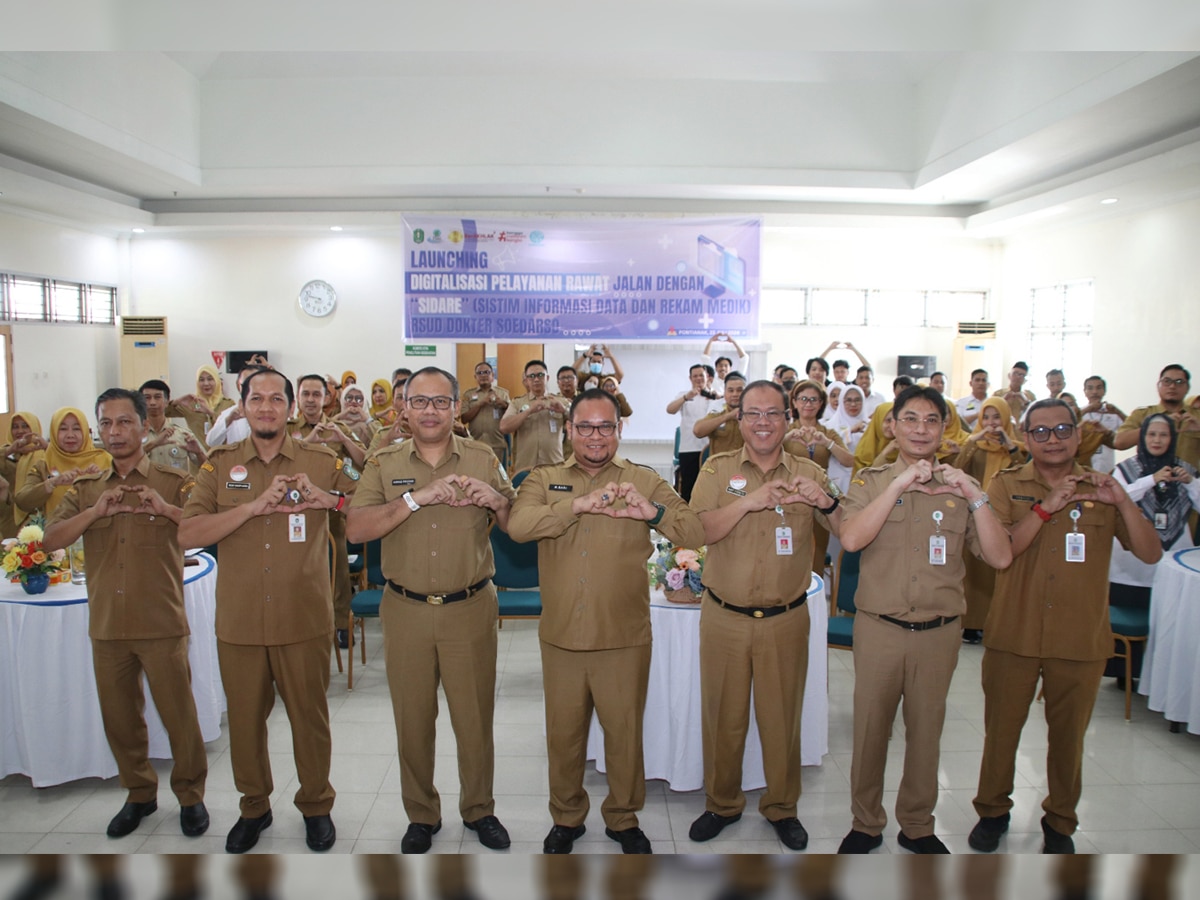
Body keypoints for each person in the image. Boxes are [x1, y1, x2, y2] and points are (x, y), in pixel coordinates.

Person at [509, 387, 704, 855]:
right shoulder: (545, 478)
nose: (595, 436)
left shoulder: (643, 479)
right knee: (564, 737)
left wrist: (652, 512)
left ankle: (622, 817)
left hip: (623, 636)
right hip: (562, 636)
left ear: (619, 429)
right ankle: (567, 818)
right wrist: (575, 506)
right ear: (569, 429)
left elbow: (695, 530)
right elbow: (518, 526)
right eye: (585, 427)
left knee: (624, 734)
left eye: (605, 427)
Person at [968, 399, 1161, 855]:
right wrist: (1045, 509)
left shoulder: (1102, 487)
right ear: (1026, 437)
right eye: (1040, 431)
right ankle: (992, 811)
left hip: (1079, 637)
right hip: (1014, 632)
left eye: (1061, 430)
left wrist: (1122, 501)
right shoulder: (1006, 484)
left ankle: (1060, 821)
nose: (1051, 439)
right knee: (1001, 733)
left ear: (1077, 434)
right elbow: (1001, 552)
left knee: (1069, 740)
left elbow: (1150, 552)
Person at [179, 368, 357, 854]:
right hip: (240, 621)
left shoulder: (321, 461)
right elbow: (188, 533)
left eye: (276, 399)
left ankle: (316, 806)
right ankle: (254, 807)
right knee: (244, 723)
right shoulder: (219, 465)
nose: (265, 407)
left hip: (303, 617)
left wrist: (333, 498)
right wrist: (251, 508)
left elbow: (366, 503)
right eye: (256, 399)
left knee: (309, 720)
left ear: (290, 407)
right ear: (242, 406)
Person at [346, 366, 516, 855]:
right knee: (413, 720)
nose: (430, 411)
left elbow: (516, 525)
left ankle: (479, 809)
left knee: (474, 719)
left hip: (470, 607)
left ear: (456, 408)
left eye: (441, 401)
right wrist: (413, 499)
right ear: (404, 407)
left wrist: (498, 504)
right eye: (419, 401)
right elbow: (356, 529)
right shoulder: (383, 462)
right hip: (406, 609)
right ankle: (421, 814)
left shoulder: (484, 458)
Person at [837, 386, 1011, 854]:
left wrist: (975, 495)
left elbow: (1000, 556)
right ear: (892, 426)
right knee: (870, 731)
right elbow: (851, 539)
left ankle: (917, 826)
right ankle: (865, 823)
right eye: (910, 419)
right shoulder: (871, 480)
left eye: (931, 420)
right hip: (880, 629)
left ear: (944, 429)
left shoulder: (960, 487)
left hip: (938, 633)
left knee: (926, 734)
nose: (920, 429)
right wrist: (899, 485)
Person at [43, 388, 209, 841]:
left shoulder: (173, 481)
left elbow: (204, 530)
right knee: (120, 718)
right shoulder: (87, 488)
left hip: (161, 621)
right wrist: (94, 513)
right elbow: (50, 539)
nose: (114, 432)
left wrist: (166, 510)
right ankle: (139, 793)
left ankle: (190, 796)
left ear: (142, 425)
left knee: (179, 716)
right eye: (106, 423)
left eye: (123, 422)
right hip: (107, 625)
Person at [687, 380, 844, 851]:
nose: (762, 422)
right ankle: (721, 803)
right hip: (725, 617)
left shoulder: (809, 473)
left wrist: (826, 502)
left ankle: (781, 807)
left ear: (787, 419)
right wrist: (749, 502)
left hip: (785, 618)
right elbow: (696, 530)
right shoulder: (716, 469)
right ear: (739, 420)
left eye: (773, 413)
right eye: (753, 413)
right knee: (723, 717)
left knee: (781, 719)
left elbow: (849, 531)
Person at [1107, 415, 1200, 681]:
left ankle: (1159, 679)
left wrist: (1191, 483)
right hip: (1131, 564)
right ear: (1143, 437)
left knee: (1167, 624)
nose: (1157, 440)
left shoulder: (1185, 470)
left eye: (1164, 435)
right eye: (1151, 434)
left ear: (1172, 438)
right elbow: (1117, 500)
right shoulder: (1126, 469)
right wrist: (1150, 480)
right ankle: (1126, 677)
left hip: (1171, 559)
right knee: (1128, 620)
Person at [289, 374, 367, 649]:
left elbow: (365, 462)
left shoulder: (339, 427)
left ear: (326, 398)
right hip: (293, 513)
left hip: (331, 512)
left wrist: (343, 438)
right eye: (306, 394)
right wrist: (307, 444)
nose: (311, 400)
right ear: (298, 398)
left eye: (316, 394)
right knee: (297, 573)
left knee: (338, 570)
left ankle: (341, 624)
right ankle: (301, 625)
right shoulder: (287, 430)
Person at [953, 397, 1027, 643]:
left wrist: (1010, 446)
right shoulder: (975, 445)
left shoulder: (1015, 447)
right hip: (975, 516)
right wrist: (973, 442)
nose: (991, 423)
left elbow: (1023, 470)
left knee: (1001, 572)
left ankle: (998, 624)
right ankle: (972, 624)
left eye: (996, 417)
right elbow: (958, 466)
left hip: (1005, 517)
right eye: (986, 417)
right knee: (975, 575)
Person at [785, 380, 854, 575]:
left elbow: (849, 461)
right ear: (795, 402)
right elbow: (765, 452)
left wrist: (827, 443)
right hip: (791, 493)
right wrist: (787, 438)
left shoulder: (828, 432)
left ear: (821, 403)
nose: (808, 404)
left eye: (814, 399)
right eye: (803, 399)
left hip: (821, 493)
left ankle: (815, 586)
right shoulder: (786, 429)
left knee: (818, 548)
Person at [15, 406, 113, 519]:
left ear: (86, 431)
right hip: (57, 528)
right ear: (53, 432)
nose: (70, 435)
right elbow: (22, 502)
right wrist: (52, 483)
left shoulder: (105, 460)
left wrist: (99, 481)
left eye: (76, 429)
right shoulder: (44, 465)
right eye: (63, 429)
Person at [1115, 364, 1200, 470]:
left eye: (1179, 382)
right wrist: (1152, 426)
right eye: (1167, 381)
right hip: (1149, 478)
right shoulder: (1142, 414)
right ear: (1158, 386)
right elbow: (1119, 443)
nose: (1172, 386)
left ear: (1187, 388)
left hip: (1188, 478)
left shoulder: (1196, 416)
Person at [500, 360, 571, 474]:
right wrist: (529, 411)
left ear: (547, 378)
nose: (536, 379)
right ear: (526, 380)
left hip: (554, 465)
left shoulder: (561, 401)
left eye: (540, 375)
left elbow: (581, 423)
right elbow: (504, 427)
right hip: (525, 467)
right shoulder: (517, 403)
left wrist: (565, 411)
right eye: (532, 376)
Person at [666, 364, 716, 502]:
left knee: (710, 487)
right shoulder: (684, 395)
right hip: (689, 448)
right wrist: (686, 397)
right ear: (690, 378)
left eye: (701, 375)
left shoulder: (715, 395)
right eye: (695, 376)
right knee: (689, 488)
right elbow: (670, 410)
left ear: (707, 377)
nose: (698, 378)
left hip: (710, 448)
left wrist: (715, 396)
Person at [140, 380, 208, 474]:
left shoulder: (183, 435)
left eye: (157, 397)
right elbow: (126, 463)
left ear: (167, 402)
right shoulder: (134, 436)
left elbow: (209, 468)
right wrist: (153, 444)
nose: (152, 402)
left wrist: (199, 453)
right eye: (147, 398)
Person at [0, 411, 46, 538]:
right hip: (9, 518)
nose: (20, 431)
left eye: (25, 426)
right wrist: (11, 449)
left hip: (38, 517)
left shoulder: (44, 454)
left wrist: (47, 448)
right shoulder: (5, 454)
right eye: (15, 427)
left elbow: (56, 472)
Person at [168, 364, 235, 444]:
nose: (206, 383)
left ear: (217, 381)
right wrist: (176, 401)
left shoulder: (228, 404)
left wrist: (210, 412)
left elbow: (233, 428)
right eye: (201, 380)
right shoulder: (191, 403)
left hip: (222, 450)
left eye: (210, 379)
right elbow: (162, 412)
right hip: (198, 451)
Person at [460, 361, 511, 465]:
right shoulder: (468, 394)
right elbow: (464, 419)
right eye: (480, 373)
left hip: (497, 444)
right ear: (475, 376)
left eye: (487, 372)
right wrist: (480, 404)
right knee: (475, 473)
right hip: (475, 443)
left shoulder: (503, 393)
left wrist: (504, 405)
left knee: (497, 474)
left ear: (493, 375)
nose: (483, 375)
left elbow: (511, 418)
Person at [1078, 375, 1126, 473]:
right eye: (1090, 388)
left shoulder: (1112, 412)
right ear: (1084, 391)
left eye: (1098, 388)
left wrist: (1119, 412)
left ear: (1104, 391)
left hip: (1107, 467)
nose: (1094, 392)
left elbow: (1131, 429)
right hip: (1083, 467)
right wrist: (1088, 409)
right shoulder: (1080, 413)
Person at [826, 384, 868, 495]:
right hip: (837, 477)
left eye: (857, 400)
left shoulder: (870, 426)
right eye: (848, 400)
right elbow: (829, 445)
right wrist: (849, 431)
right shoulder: (830, 425)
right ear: (842, 402)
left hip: (863, 477)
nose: (853, 404)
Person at [693, 372, 746, 458]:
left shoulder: (755, 416)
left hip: (746, 465)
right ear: (724, 394)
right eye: (731, 390)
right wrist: (728, 416)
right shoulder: (717, 415)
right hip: (719, 465)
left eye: (740, 390)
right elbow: (697, 431)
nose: (735, 394)